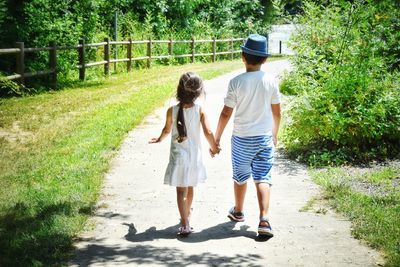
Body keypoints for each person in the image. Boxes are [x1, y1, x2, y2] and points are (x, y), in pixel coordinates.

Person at [213, 34, 281, 237]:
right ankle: (264, 220)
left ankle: (239, 211)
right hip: (263, 138)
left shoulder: (236, 82)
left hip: (241, 139)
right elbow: (277, 112)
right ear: (265, 59)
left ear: (243, 56)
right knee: (263, 178)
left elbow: (226, 113)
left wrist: (216, 138)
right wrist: (274, 134)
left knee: (240, 177)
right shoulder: (270, 80)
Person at [149, 72, 220, 236]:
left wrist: (160, 139)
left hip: (178, 158)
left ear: (179, 90)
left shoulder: (172, 110)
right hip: (194, 158)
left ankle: (185, 222)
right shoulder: (200, 110)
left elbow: (167, 129)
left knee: (181, 192)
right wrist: (214, 147)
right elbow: (208, 131)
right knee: (190, 188)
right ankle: (187, 215)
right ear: (198, 92)